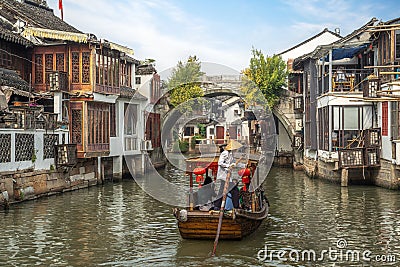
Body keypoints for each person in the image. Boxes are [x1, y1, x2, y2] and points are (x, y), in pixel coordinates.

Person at [213, 140, 243, 210]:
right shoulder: (225, 153)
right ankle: (236, 207)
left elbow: (235, 164)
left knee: (222, 191)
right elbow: (220, 163)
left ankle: (217, 206)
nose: (236, 150)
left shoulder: (231, 155)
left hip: (227, 176)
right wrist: (228, 166)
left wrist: (244, 165)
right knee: (235, 191)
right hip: (223, 175)